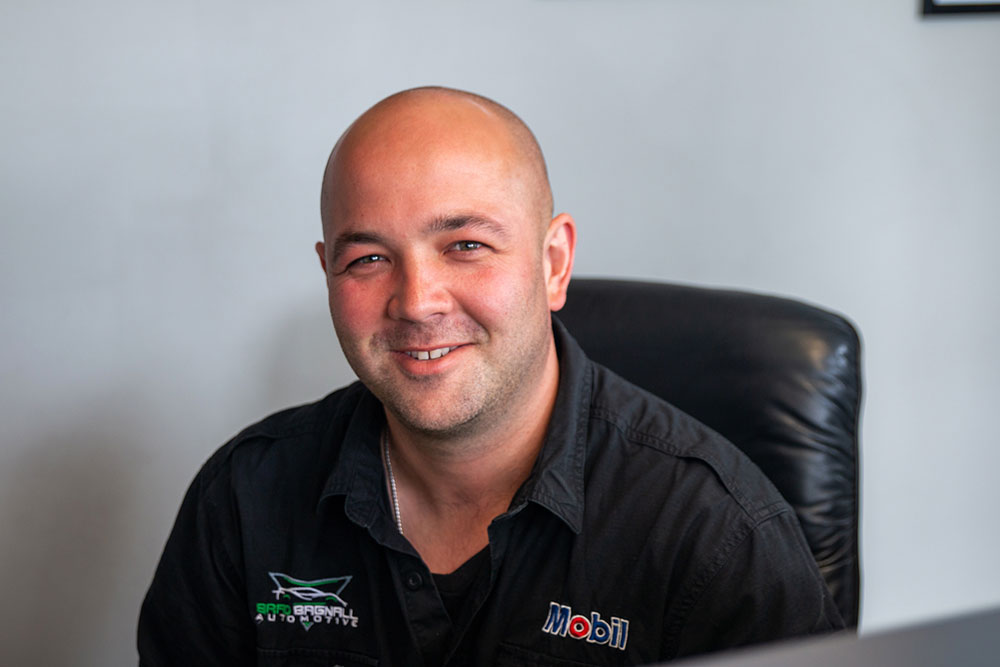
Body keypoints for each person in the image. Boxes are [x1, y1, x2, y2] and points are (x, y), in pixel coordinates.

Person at [138, 87, 843, 666]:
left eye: (466, 246)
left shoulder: (715, 535)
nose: (416, 301)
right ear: (328, 270)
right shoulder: (243, 500)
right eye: (368, 259)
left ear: (554, 262)